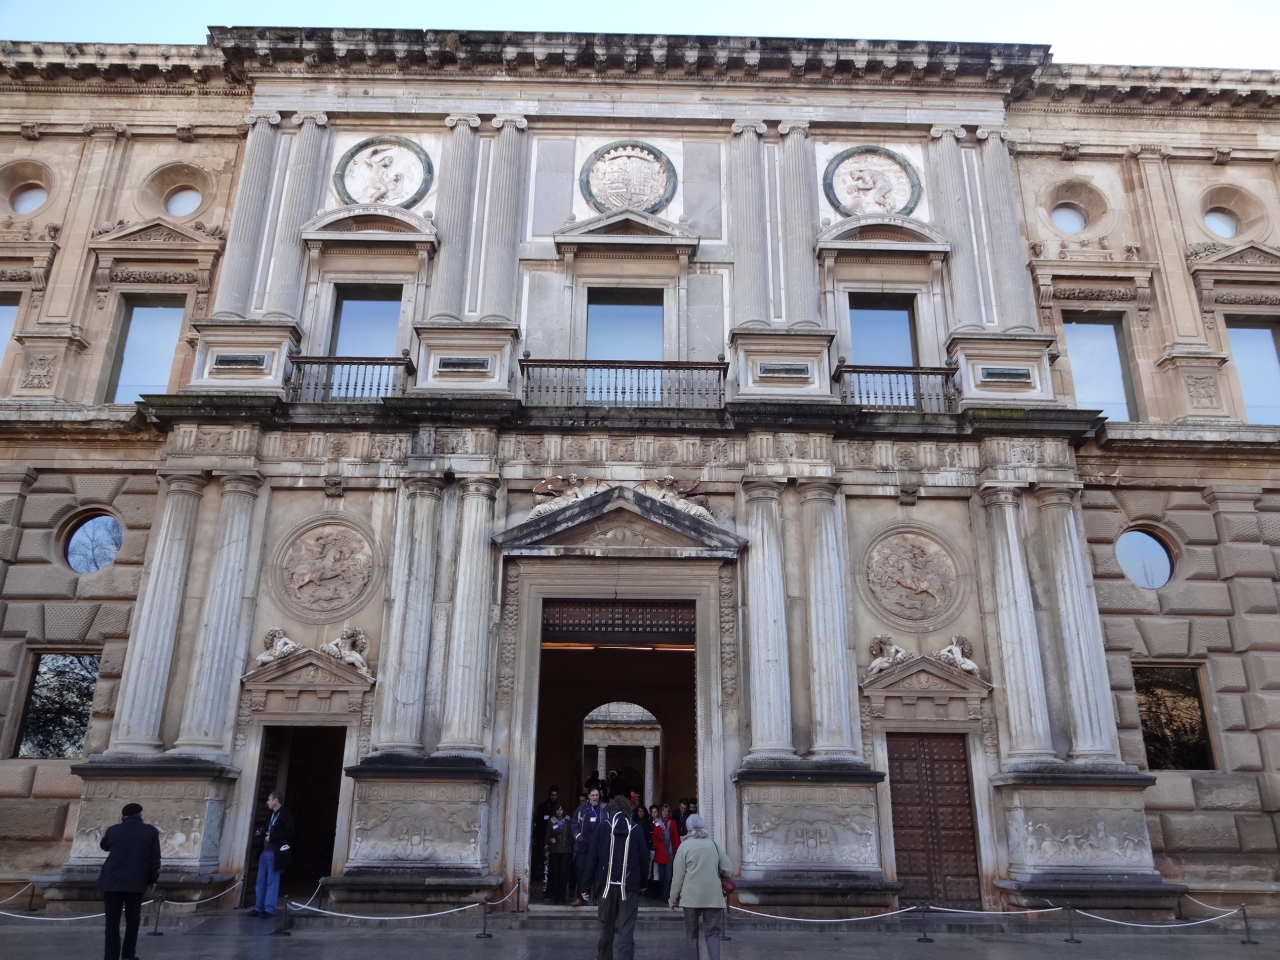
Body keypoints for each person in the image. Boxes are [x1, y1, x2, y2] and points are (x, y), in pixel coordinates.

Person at [585, 795, 649, 960]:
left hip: (606, 887)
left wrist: (586, 886)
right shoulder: (636, 829)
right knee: (626, 930)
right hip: (629, 887)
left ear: (612, 810)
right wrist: (642, 883)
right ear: (629, 810)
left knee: (606, 929)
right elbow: (644, 859)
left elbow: (592, 859)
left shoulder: (603, 827)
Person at [97, 802, 161, 960]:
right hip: (136, 882)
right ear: (140, 815)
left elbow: (104, 846)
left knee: (112, 922)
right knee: (133, 921)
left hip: (112, 882)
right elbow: (155, 859)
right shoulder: (150, 831)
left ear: (123, 816)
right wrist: (152, 880)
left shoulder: (113, 830)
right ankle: (128, 955)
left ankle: (110, 957)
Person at [668, 814, 734, 960]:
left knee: (691, 934)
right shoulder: (714, 845)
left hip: (690, 897)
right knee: (713, 933)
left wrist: (672, 899)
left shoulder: (684, 847)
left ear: (688, 828)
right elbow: (729, 869)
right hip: (713, 897)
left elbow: (677, 878)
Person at [250, 791, 295, 918]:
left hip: (275, 853)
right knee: (260, 881)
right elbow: (267, 829)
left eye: (269, 799)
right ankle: (259, 907)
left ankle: (269, 909)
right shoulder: (271, 815)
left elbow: (289, 833)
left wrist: (273, 836)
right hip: (264, 851)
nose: (267, 802)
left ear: (275, 800)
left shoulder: (286, 815)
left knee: (272, 881)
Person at [570, 787, 603, 906]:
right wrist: (578, 837)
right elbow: (574, 824)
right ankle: (582, 897)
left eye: (597, 795)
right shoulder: (581, 809)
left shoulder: (603, 808)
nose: (595, 798)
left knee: (599, 871)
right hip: (584, 845)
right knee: (582, 870)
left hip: (598, 845)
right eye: (593, 795)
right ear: (588, 796)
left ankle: (597, 897)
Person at [531, 784, 560, 898]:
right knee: (542, 867)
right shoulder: (543, 807)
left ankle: (553, 891)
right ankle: (543, 890)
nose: (553, 797)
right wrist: (538, 840)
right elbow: (538, 824)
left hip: (556, 843)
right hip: (543, 841)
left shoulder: (559, 807)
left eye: (555, 795)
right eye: (552, 795)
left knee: (555, 868)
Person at [544, 801, 574, 905]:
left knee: (563, 873)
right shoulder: (551, 821)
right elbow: (547, 836)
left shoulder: (568, 820)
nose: (559, 812)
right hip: (554, 850)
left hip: (566, 850)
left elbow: (572, 834)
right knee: (555, 873)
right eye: (557, 809)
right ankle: (556, 897)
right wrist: (546, 849)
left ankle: (563, 896)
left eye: (561, 809)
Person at [653, 802, 681, 902]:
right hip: (660, 852)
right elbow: (654, 838)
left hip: (669, 853)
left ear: (669, 812)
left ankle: (666, 895)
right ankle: (662, 893)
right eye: (663, 811)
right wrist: (660, 846)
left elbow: (675, 837)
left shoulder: (672, 823)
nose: (665, 813)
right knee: (661, 876)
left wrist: (678, 851)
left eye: (667, 811)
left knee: (669, 876)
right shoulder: (657, 823)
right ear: (661, 812)